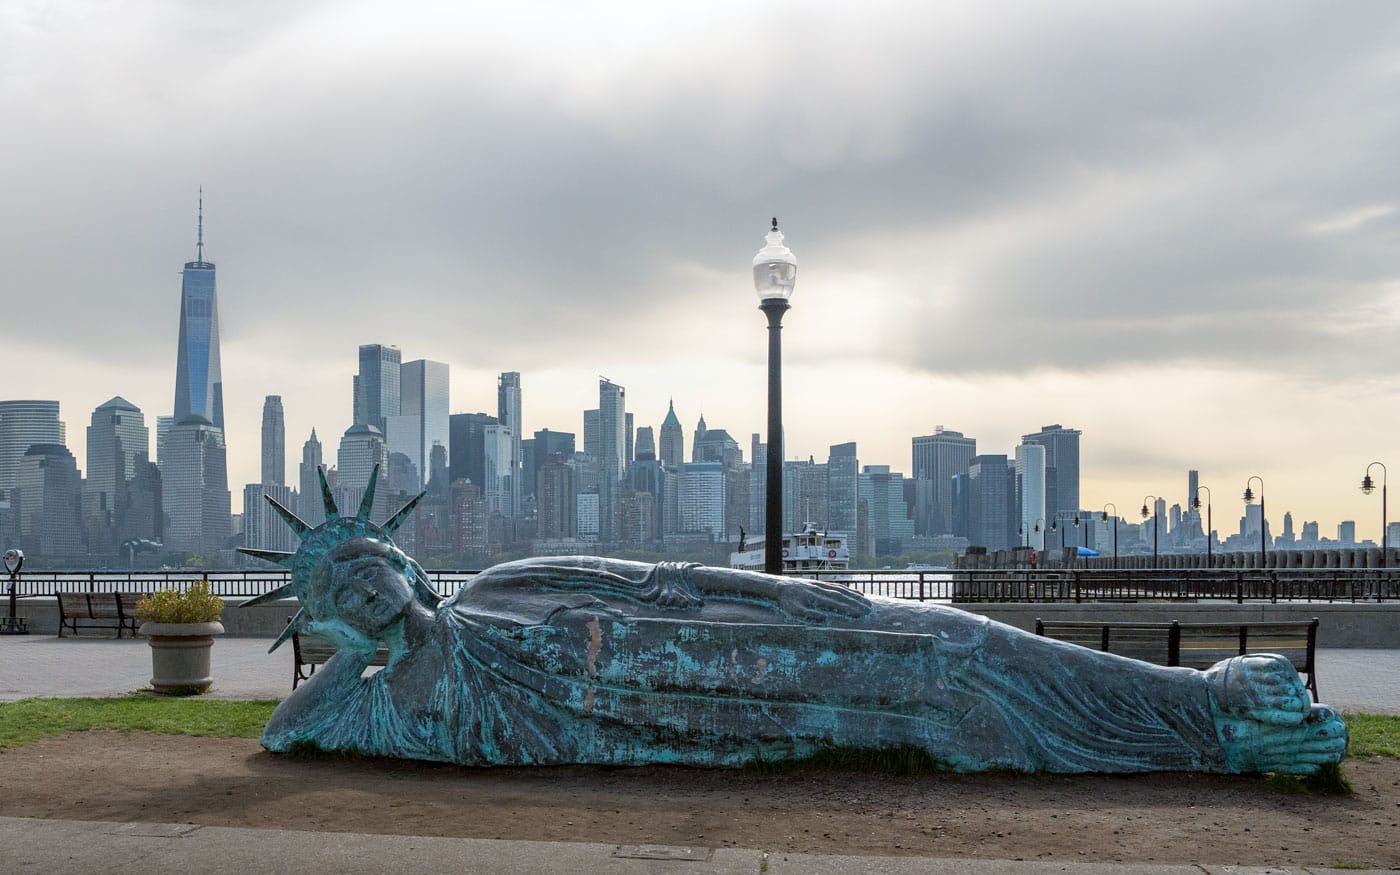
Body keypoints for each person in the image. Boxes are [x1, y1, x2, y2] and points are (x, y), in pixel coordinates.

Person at [249, 532, 1346, 775]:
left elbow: (670, 585)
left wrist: (803, 595)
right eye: (340, 590)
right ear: (338, 619)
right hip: (720, 717)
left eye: (371, 565)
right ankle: (1210, 731)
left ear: (409, 570)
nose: (365, 590)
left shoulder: (511, 585)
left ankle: (1207, 705)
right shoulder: (358, 704)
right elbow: (289, 725)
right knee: (965, 703)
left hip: (766, 646)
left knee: (960, 640)